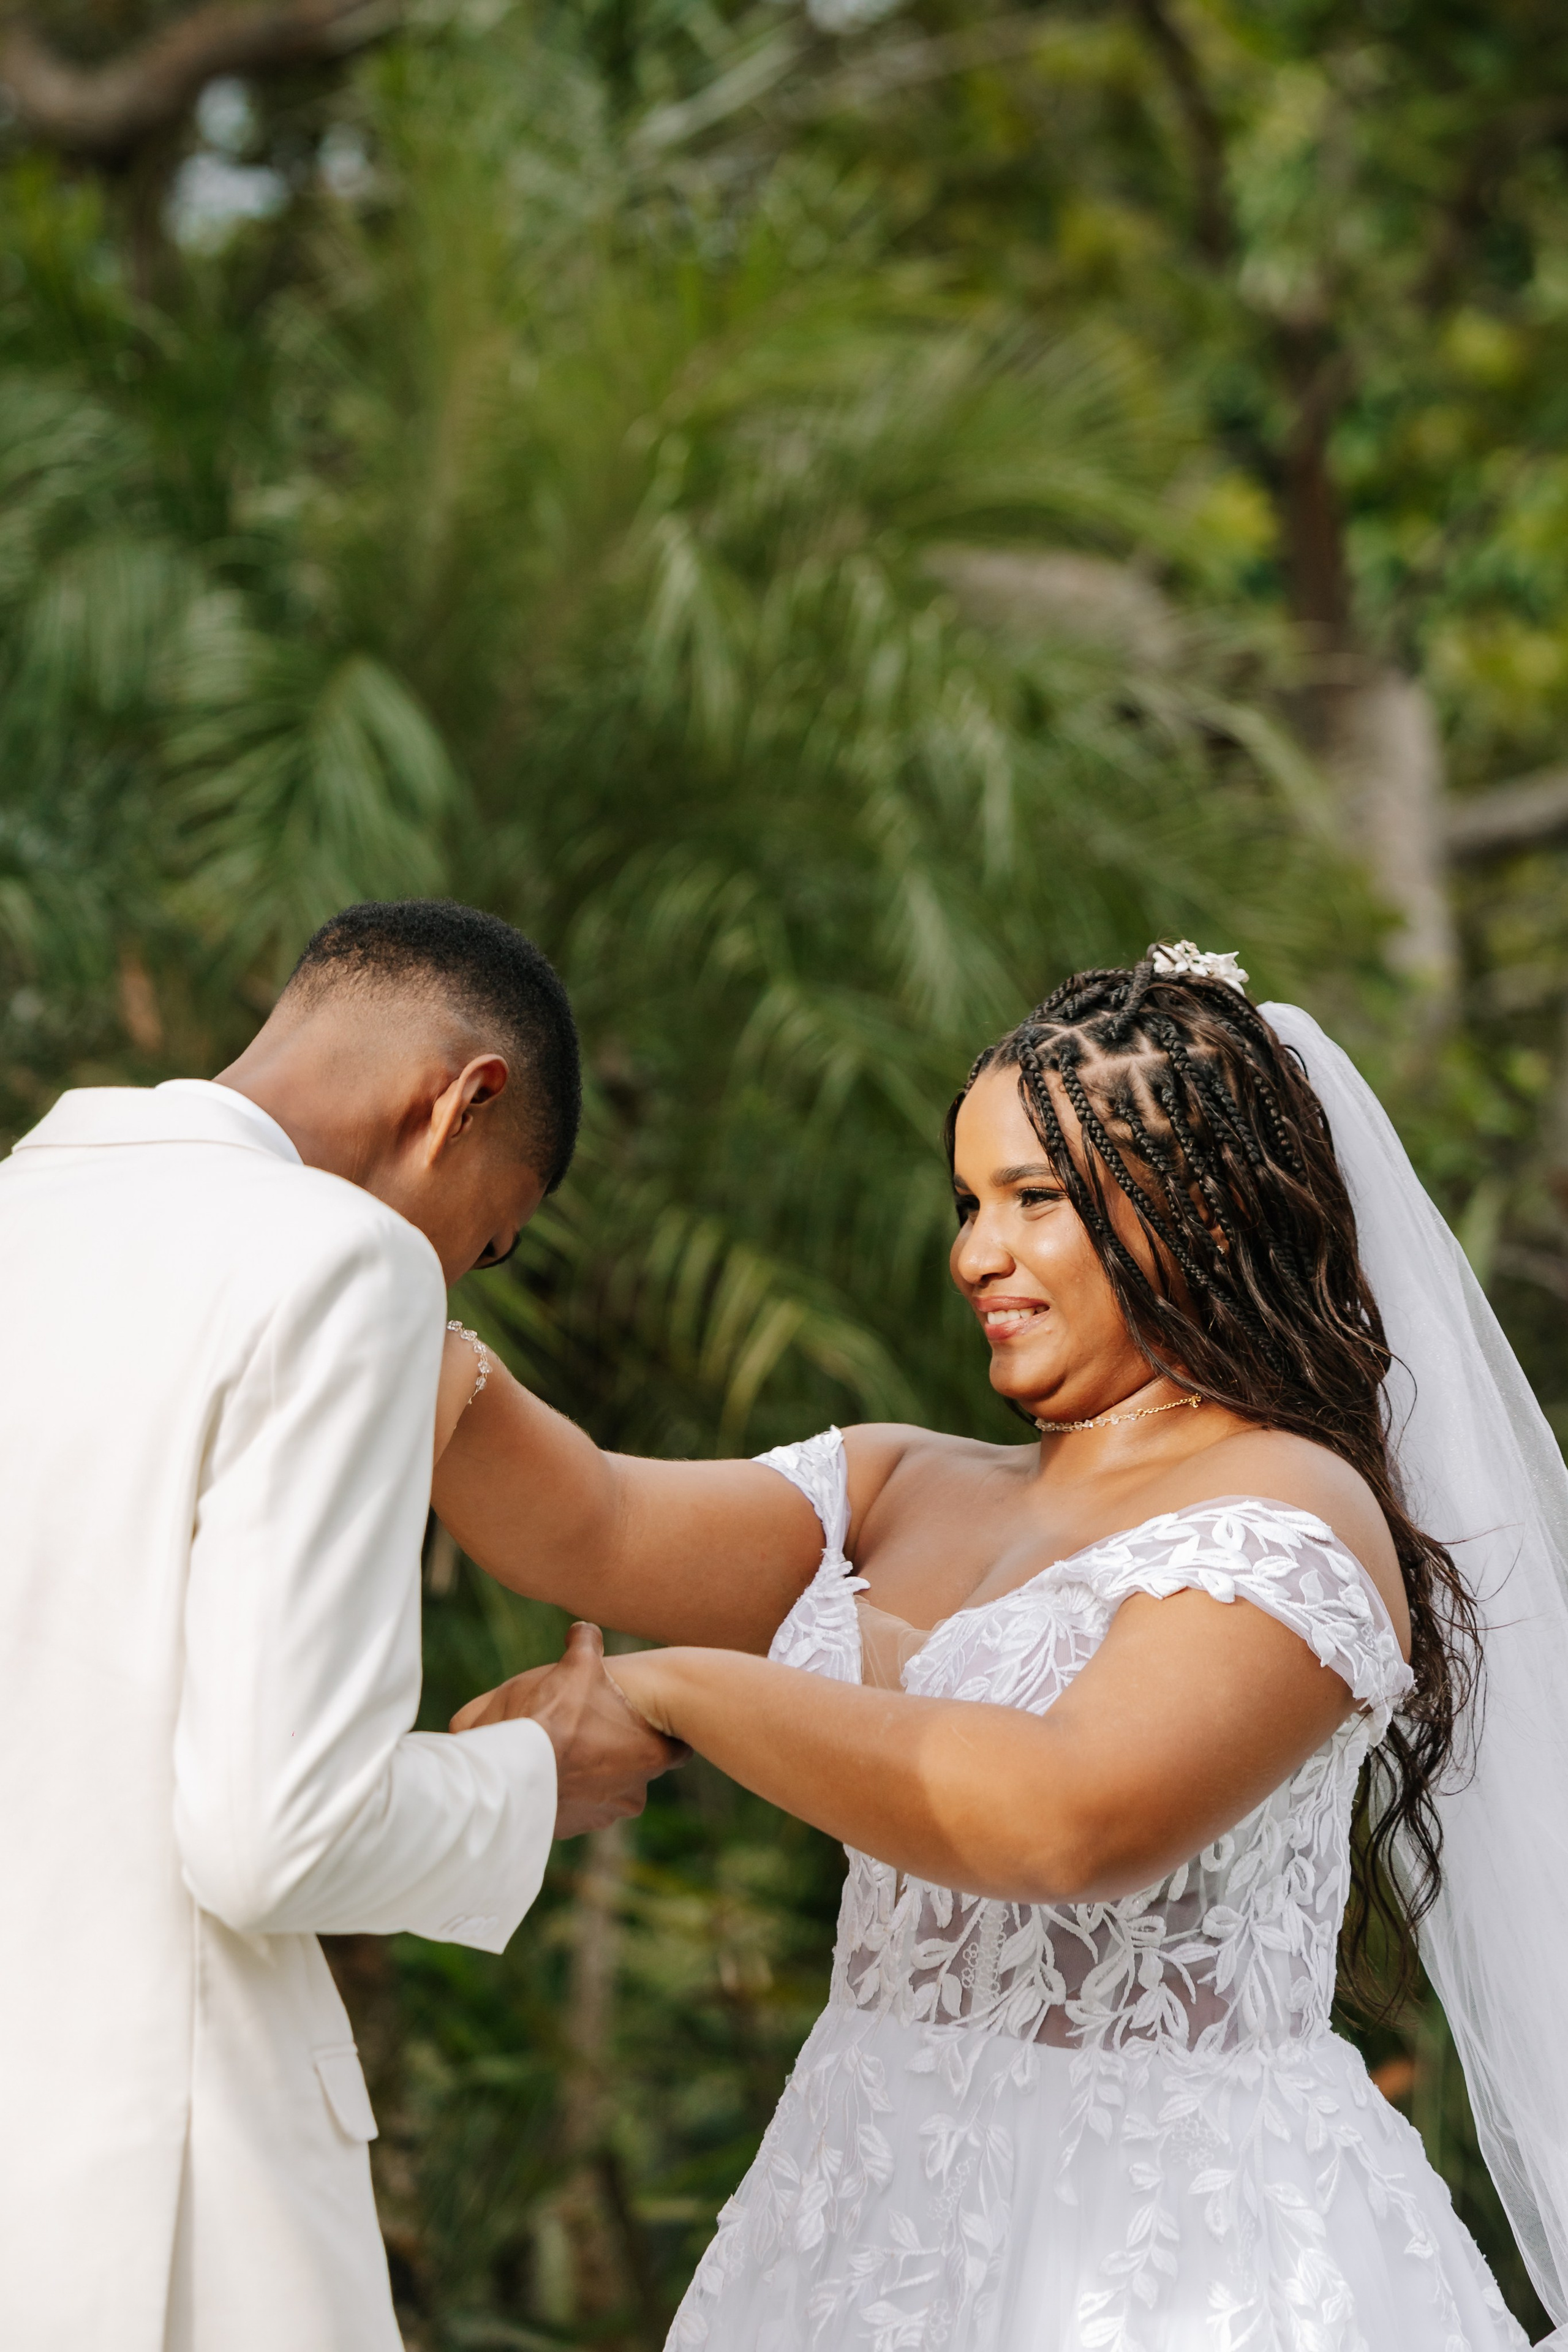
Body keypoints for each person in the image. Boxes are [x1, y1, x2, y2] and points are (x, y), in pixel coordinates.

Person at [435, 943, 1568, 2350]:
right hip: (858, 2217)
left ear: (1200, 1210)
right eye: (969, 1202)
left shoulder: (1290, 1509)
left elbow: (1065, 1817)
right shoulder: (903, 1484)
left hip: (1169, 2261)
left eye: (1035, 1199)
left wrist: (675, 1693)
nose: (977, 1252)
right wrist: (372, 1311)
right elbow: (586, 1523)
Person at [0, 899, 680, 2352]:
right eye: (484, 1243)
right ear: (461, 1102)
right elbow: (276, 1834)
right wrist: (535, 1779)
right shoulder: (343, 1263)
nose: (449, 1283)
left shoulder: (23, 1210)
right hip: (168, 2202)